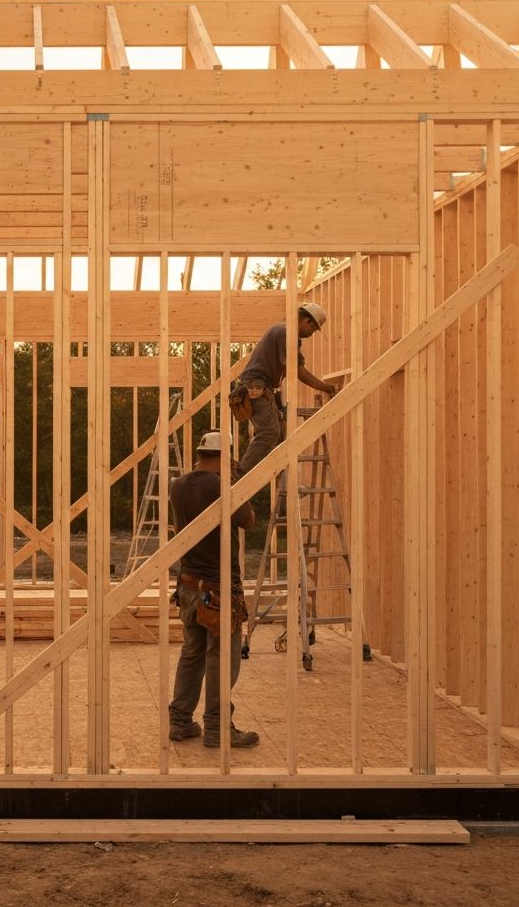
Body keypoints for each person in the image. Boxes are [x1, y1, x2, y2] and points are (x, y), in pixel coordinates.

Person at [168, 431, 258, 748]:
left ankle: (180, 722)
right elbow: (249, 519)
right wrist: (235, 483)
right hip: (219, 591)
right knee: (222, 657)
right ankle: (218, 728)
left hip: (189, 586)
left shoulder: (177, 485)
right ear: (226, 457)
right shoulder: (220, 486)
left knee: (192, 653)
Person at [236, 302, 337, 478]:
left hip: (257, 385)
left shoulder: (281, 330)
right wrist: (326, 387)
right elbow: (295, 370)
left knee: (280, 432)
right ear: (307, 321)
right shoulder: (286, 333)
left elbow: (290, 365)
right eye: (313, 330)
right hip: (257, 385)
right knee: (270, 432)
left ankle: (282, 488)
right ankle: (239, 476)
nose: (311, 335)